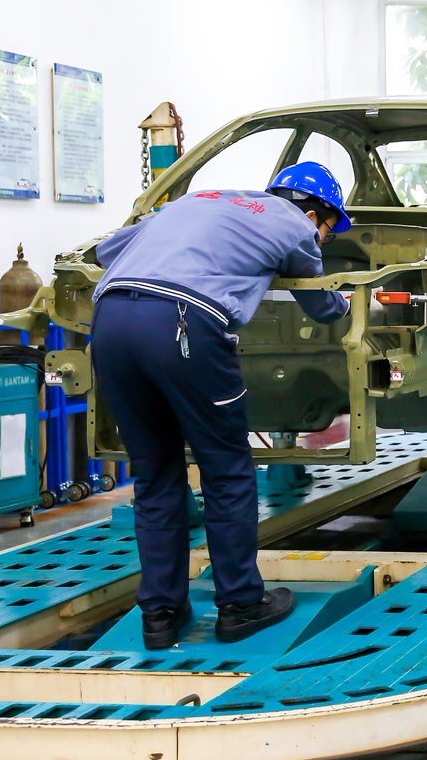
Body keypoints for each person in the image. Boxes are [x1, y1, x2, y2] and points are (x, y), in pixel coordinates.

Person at [89, 162, 352, 649]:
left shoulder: (197, 201)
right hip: (183, 323)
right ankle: (240, 604)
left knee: (154, 474)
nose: (322, 240)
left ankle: (161, 615)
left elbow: (106, 251)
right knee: (226, 469)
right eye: (329, 231)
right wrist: (353, 303)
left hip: (110, 319)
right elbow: (321, 304)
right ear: (315, 214)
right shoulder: (295, 224)